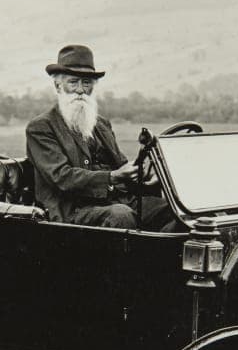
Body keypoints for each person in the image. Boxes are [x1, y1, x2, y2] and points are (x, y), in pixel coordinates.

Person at [26, 44, 179, 231]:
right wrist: (111, 177)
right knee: (120, 216)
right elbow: (62, 177)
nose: (81, 90)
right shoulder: (41, 127)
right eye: (73, 82)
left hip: (116, 201)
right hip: (72, 212)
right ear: (58, 86)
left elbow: (121, 166)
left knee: (177, 211)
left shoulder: (101, 124)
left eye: (87, 83)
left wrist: (145, 175)